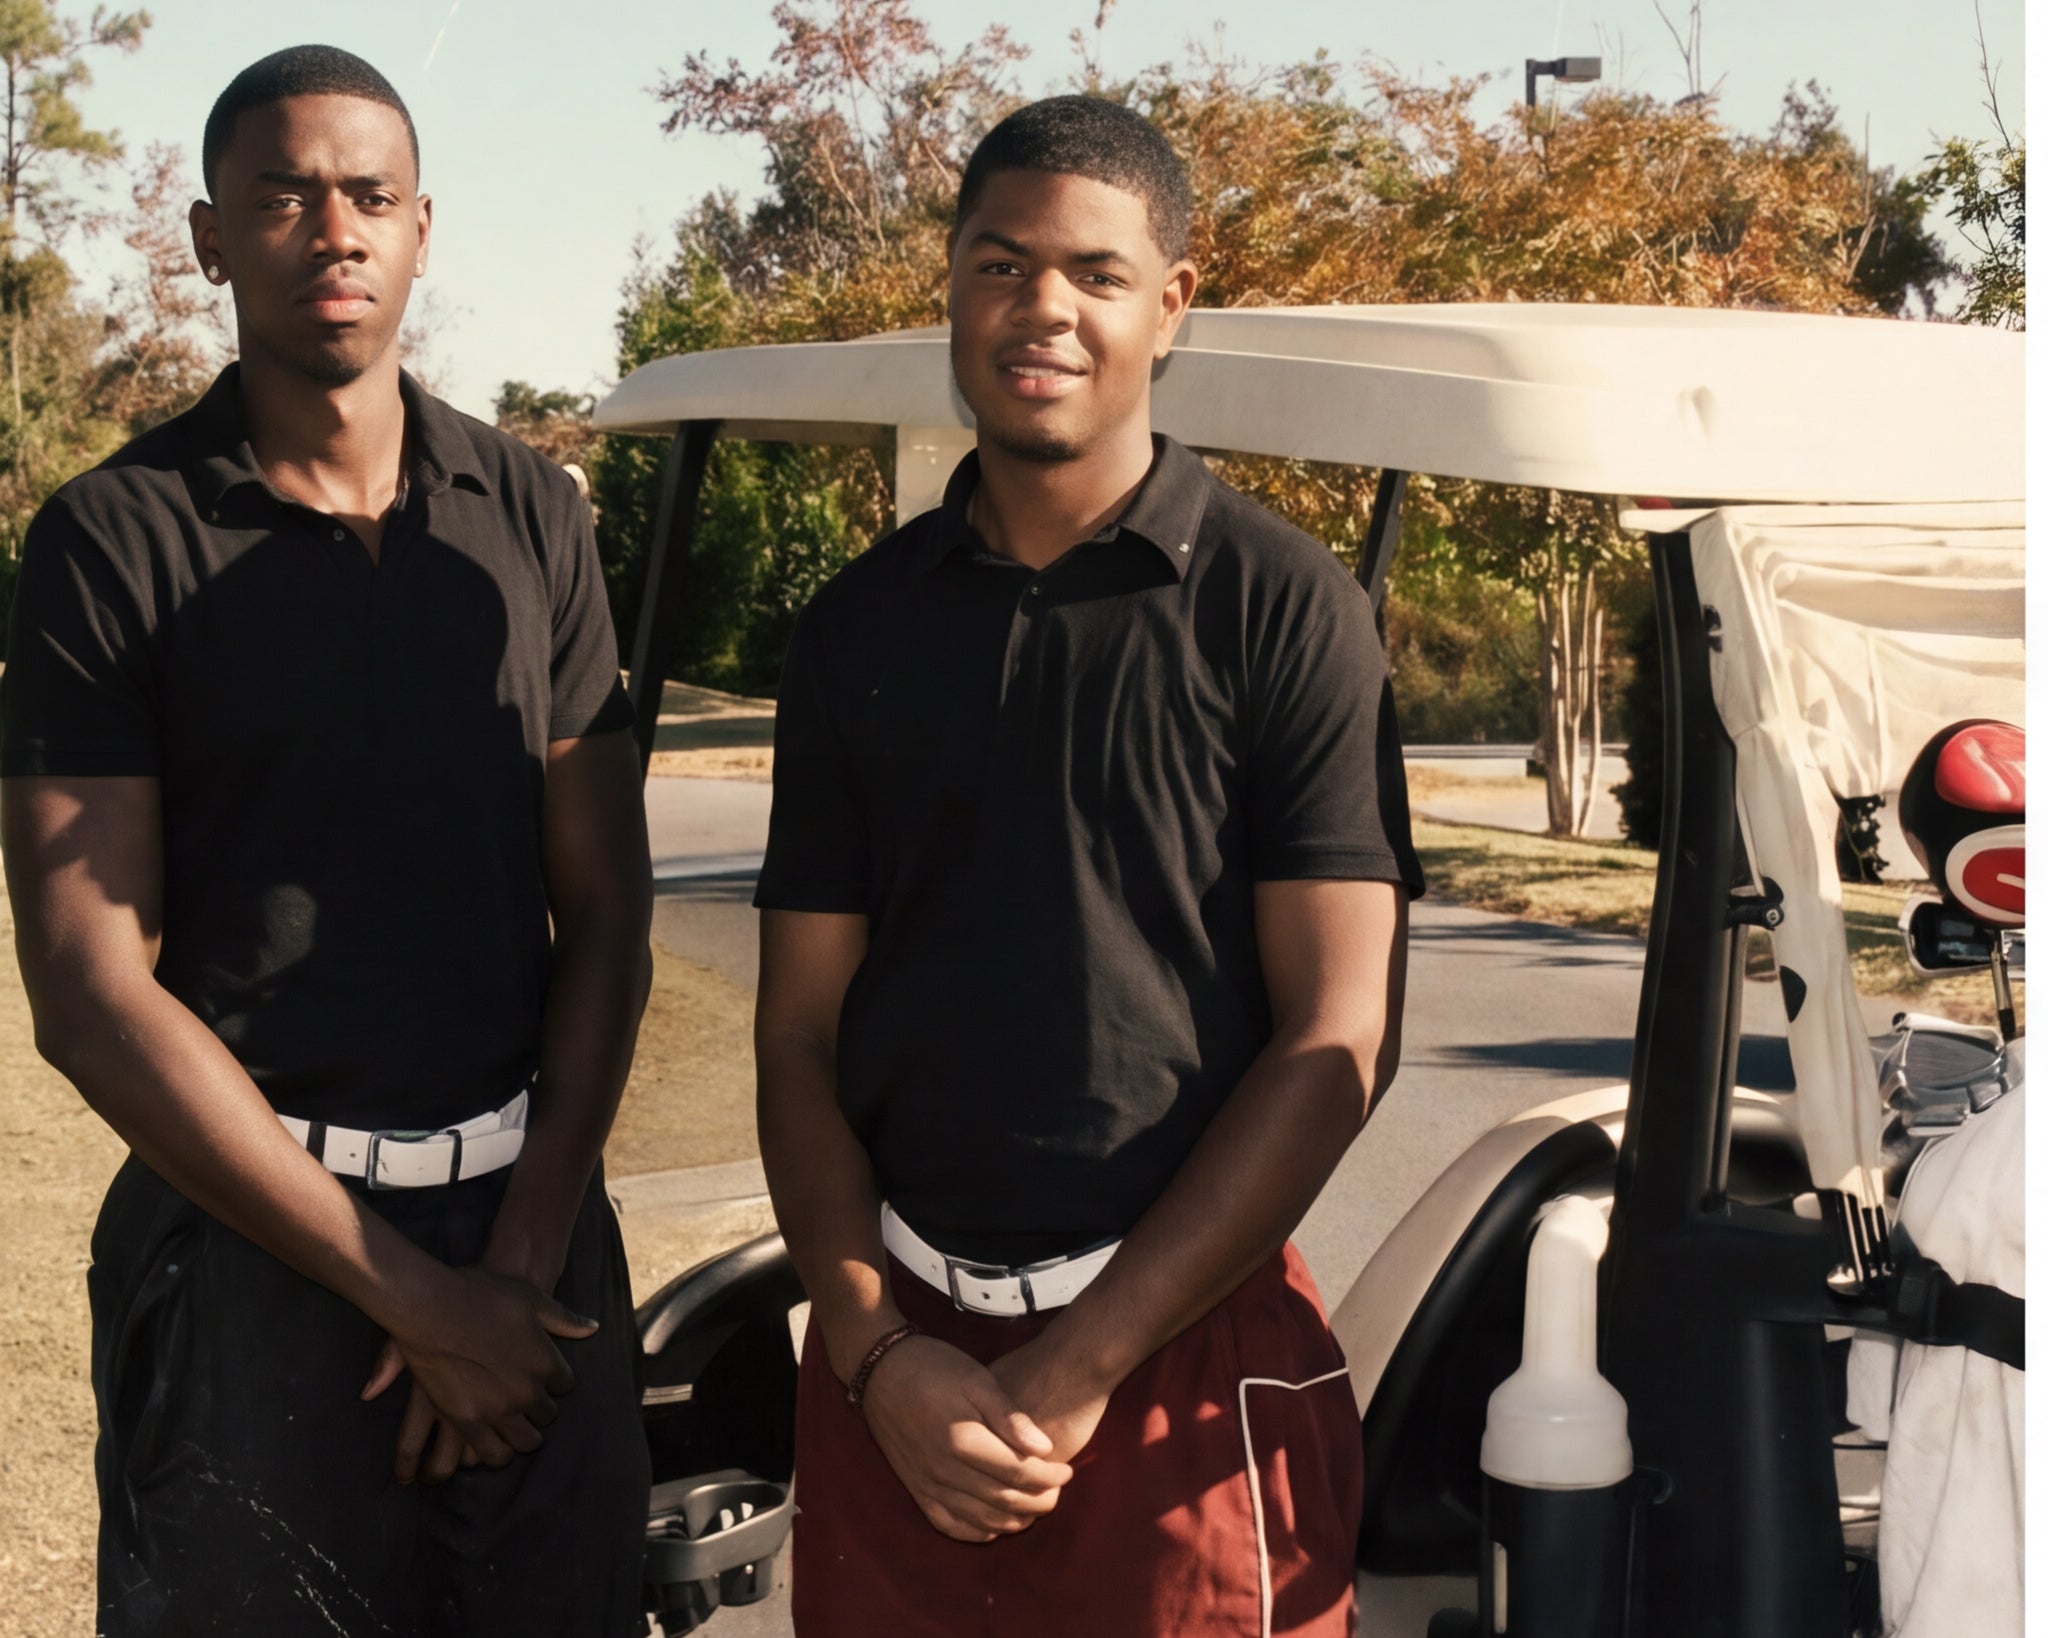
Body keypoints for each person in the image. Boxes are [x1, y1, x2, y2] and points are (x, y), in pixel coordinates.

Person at [0, 46, 653, 1637]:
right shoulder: (110, 540)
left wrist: (512, 1271)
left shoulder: (532, 516)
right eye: (285, 194)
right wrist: (415, 1298)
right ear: (210, 236)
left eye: (370, 194)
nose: (335, 228)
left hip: (535, 1241)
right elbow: (89, 991)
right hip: (250, 1262)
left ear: (424, 227)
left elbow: (610, 912)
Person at [754, 94, 1422, 1637]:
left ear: (1169, 303)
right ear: (951, 285)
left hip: (1185, 1365)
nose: (1041, 306)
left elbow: (1340, 1033)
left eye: (1094, 273)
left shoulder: (1284, 607)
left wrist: (1080, 1359)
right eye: (1000, 265)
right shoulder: (856, 628)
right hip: (901, 1371)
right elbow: (796, 1036)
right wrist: (872, 1347)